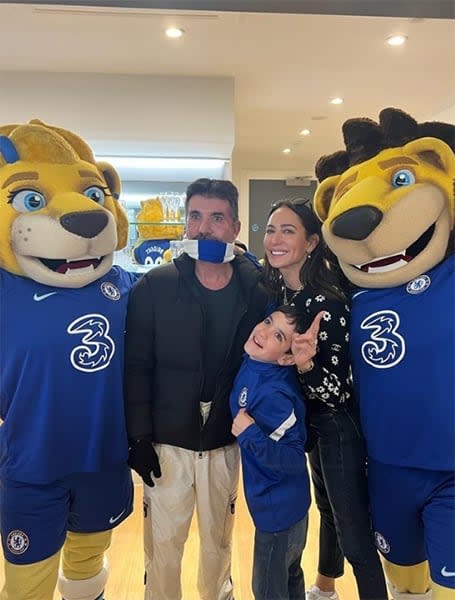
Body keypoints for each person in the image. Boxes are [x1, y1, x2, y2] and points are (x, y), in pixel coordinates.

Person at [124, 177, 269, 600]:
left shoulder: (256, 290)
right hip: (168, 444)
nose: (204, 228)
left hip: (225, 441)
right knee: (164, 549)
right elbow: (136, 367)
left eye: (217, 218)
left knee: (218, 547)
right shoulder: (155, 286)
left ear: (236, 227)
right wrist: (137, 436)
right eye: (196, 217)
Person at [263, 199, 388, 600]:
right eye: (270, 230)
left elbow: (335, 390)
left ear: (312, 242)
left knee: (354, 533)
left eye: (287, 231)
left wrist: (303, 365)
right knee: (329, 513)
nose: (275, 239)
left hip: (336, 423)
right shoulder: (281, 292)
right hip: (311, 425)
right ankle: (325, 587)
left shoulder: (326, 302)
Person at [230, 305, 323, 600]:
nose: (264, 331)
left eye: (278, 335)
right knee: (290, 580)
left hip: (280, 514)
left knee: (269, 590)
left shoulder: (274, 395)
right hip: (278, 508)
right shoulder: (256, 360)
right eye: (269, 321)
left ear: (286, 358)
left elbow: (295, 459)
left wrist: (249, 434)